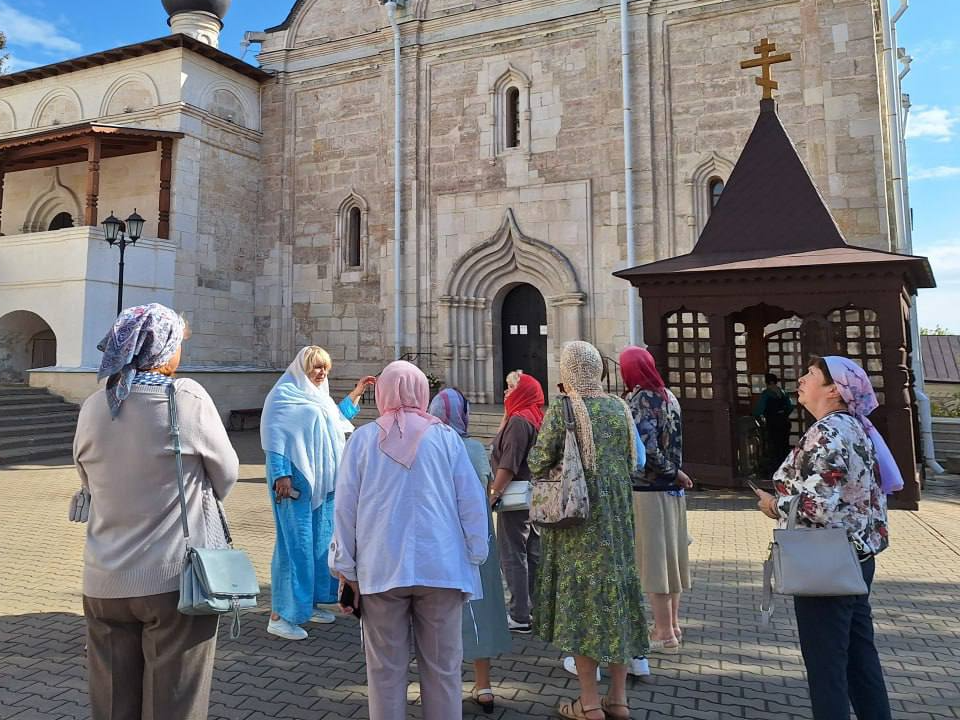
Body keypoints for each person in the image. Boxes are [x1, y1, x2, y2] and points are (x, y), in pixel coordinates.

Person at [74, 303, 239, 720]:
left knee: (112, 704)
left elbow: (87, 478)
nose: (181, 353)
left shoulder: (94, 405)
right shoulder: (184, 397)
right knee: (175, 702)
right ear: (161, 347)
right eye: (178, 343)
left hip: (103, 579)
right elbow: (227, 474)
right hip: (172, 580)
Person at [331, 361, 488, 720]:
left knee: (385, 671)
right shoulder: (447, 438)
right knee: (444, 670)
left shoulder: (362, 440)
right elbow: (472, 502)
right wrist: (475, 553)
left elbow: (345, 507)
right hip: (443, 568)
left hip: (381, 568)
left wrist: (345, 568)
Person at [755, 356, 897, 720]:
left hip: (827, 562)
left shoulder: (829, 432)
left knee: (827, 667)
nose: (801, 379)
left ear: (834, 390)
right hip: (856, 558)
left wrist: (775, 504)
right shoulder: (854, 428)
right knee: (859, 658)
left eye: (811, 374)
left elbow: (818, 505)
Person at [529, 341, 649, 720]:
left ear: (567, 372)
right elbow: (637, 459)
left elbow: (538, 460)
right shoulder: (619, 407)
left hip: (579, 523)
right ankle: (619, 699)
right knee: (616, 602)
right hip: (618, 520)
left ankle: (590, 703)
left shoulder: (564, 408)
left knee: (583, 606)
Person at [261, 346, 375, 640]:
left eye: (325, 367)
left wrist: (357, 392)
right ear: (302, 367)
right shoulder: (283, 395)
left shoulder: (318, 396)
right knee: (294, 547)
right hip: (295, 483)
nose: (321, 373)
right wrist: (280, 474)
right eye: (316, 367)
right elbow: (274, 437)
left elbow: (335, 420)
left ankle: (307, 604)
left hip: (324, 484)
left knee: (318, 545)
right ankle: (281, 614)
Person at [428, 388, 512, 714]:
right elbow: (485, 490)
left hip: (441, 541)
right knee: (480, 609)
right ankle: (485, 684)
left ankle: (441, 685)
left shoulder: (429, 447)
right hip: (478, 542)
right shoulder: (475, 449)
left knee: (439, 613)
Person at [619, 346, 694, 662]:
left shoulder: (640, 401)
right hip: (671, 490)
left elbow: (645, 449)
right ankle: (673, 626)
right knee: (671, 557)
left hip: (649, 489)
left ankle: (662, 631)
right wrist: (677, 474)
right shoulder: (668, 395)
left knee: (653, 562)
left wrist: (673, 472)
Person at [488, 371, 544, 634]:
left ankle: (520, 614)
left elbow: (509, 463)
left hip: (515, 498)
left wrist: (493, 494)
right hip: (530, 497)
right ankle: (534, 607)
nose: (506, 392)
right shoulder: (530, 416)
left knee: (512, 554)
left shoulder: (519, 422)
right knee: (530, 552)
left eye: (511, 388)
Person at [754, 373, 794, 476]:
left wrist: (756, 415)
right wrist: (783, 414)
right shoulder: (783, 393)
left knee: (774, 447)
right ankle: (786, 468)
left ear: (768, 382)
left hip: (773, 423)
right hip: (784, 422)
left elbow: (759, 410)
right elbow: (790, 407)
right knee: (784, 445)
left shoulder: (766, 394)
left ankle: (776, 469)